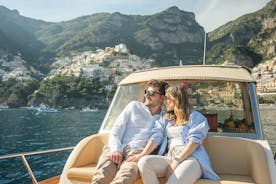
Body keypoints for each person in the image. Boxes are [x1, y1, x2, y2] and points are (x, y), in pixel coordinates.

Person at [138, 85, 220, 184]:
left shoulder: (196, 117)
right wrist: (142, 154)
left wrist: (176, 162)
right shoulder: (165, 119)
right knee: (144, 162)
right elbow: (156, 136)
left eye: (168, 98)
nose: (164, 102)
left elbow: (194, 141)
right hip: (170, 157)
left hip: (191, 159)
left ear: (177, 99)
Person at [91, 79, 169, 184]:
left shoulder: (164, 118)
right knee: (101, 175)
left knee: (125, 177)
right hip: (117, 147)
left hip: (137, 153)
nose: (147, 95)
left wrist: (142, 155)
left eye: (151, 93)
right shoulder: (134, 106)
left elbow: (159, 139)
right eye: (146, 92)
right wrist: (115, 150)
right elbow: (116, 130)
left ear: (162, 98)